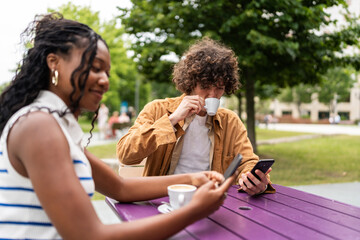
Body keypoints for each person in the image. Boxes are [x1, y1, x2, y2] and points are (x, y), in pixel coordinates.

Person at [0, 13, 235, 239]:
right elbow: (89, 236)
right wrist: (194, 211)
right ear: (54, 63)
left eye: (107, 72)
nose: (105, 80)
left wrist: (194, 179)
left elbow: (121, 188)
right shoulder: (39, 127)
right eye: (95, 68)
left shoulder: (54, 125)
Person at [117, 37, 275, 196]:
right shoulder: (157, 109)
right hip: (165, 199)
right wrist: (172, 120)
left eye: (219, 88)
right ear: (190, 82)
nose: (212, 95)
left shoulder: (230, 121)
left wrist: (252, 179)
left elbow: (248, 161)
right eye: (205, 87)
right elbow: (126, 155)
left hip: (209, 200)